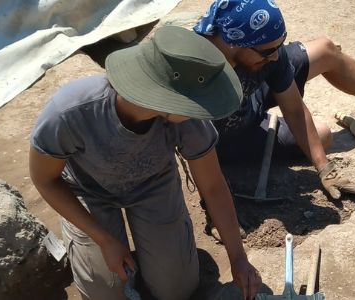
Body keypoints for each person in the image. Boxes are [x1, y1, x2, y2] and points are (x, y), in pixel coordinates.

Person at [28, 26, 261, 300]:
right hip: (88, 192)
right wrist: (104, 240)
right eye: (197, 104)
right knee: (106, 293)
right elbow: (44, 179)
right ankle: (104, 241)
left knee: (176, 291)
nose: (203, 111)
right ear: (168, 102)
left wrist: (238, 258)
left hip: (153, 184)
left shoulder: (188, 120)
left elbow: (212, 186)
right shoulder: (70, 112)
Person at [194, 0, 355, 200]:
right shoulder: (196, 76)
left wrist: (324, 169)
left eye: (279, 45)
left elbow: (295, 111)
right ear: (234, 42)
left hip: (248, 96)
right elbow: (192, 149)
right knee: (321, 135)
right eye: (268, 50)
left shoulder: (265, 55)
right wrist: (216, 203)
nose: (276, 55)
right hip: (228, 136)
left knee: (325, 50)